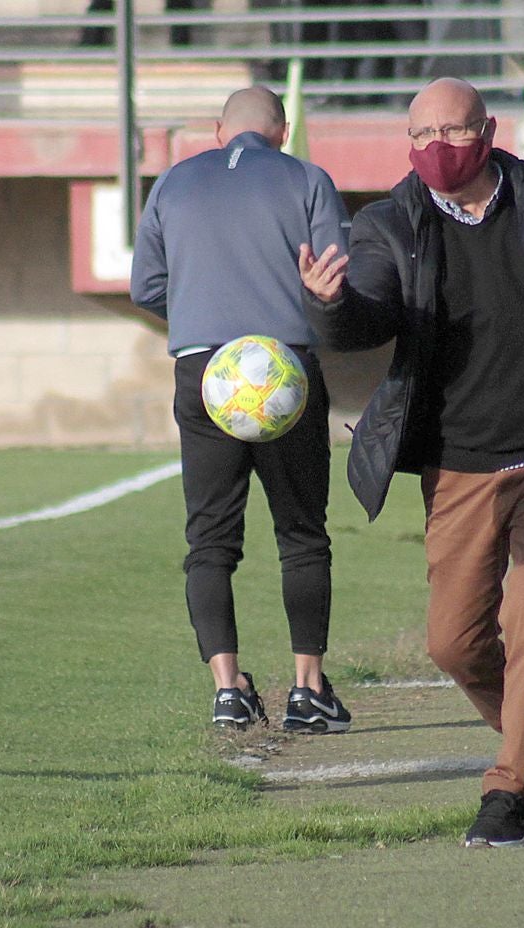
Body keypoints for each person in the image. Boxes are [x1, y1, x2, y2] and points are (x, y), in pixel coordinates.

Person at [298, 77, 524, 847]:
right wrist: (327, 305)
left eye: (455, 131)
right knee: (454, 642)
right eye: (422, 134)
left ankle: (510, 795)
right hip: (457, 467)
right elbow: (366, 311)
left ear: (490, 130)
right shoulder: (388, 225)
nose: (438, 147)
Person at [131, 86, 353, 734]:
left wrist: (205, 309)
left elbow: (146, 286)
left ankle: (229, 689)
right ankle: (308, 689)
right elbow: (339, 279)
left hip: (206, 371)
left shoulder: (171, 184)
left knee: (210, 538)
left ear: (218, 129)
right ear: (282, 131)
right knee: (302, 533)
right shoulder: (309, 179)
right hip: (286, 369)